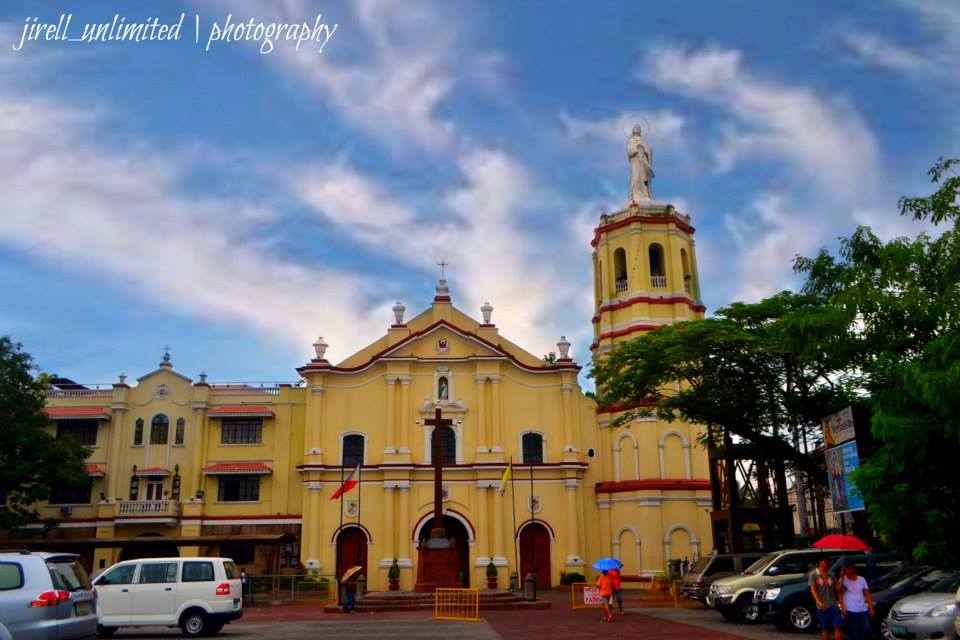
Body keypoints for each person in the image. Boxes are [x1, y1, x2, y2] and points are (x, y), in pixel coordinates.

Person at [809, 557, 842, 640]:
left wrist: (843, 577)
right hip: (822, 606)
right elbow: (812, 589)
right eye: (825, 562)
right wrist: (818, 601)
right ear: (820, 562)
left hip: (833, 604)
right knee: (825, 627)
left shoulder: (831, 574)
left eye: (828, 562)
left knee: (838, 626)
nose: (827, 564)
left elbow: (838, 589)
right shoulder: (813, 574)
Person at [839, 563, 874, 640]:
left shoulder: (861, 579)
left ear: (855, 569)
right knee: (855, 631)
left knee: (867, 628)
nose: (850, 571)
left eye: (852, 569)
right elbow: (840, 593)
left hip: (863, 609)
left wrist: (871, 608)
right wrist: (843, 608)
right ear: (845, 571)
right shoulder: (842, 580)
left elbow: (867, 594)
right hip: (851, 609)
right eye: (848, 569)